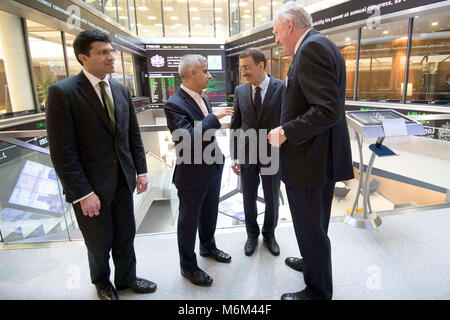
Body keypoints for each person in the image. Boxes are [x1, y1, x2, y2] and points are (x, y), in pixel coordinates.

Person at [46, 30, 157, 300]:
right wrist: (83, 193)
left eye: (111, 51)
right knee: (98, 243)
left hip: (122, 180)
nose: (111, 57)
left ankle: (127, 278)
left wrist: (140, 171)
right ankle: (102, 283)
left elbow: (132, 135)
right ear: (84, 58)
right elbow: (63, 152)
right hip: (90, 188)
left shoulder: (119, 89)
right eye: (103, 52)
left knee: (125, 235)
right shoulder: (63, 92)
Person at [269, 2, 354, 300]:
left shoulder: (311, 50)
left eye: (278, 32)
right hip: (318, 157)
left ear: (290, 26)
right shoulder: (322, 45)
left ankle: (317, 291)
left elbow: (328, 110)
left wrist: (285, 131)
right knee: (314, 223)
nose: (277, 40)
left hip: (310, 161)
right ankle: (311, 263)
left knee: (311, 227)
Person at [164, 54, 234, 287]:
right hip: (191, 175)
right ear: (192, 73)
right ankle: (188, 267)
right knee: (188, 222)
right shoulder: (174, 104)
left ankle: (208, 247)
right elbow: (186, 138)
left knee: (209, 214)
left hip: (212, 166)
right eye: (205, 71)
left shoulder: (203, 98)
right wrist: (214, 118)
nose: (209, 75)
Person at [230, 48, 284, 257]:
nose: (243, 72)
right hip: (246, 154)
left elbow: (287, 123)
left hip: (273, 154)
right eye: (241, 67)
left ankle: (269, 234)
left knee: (272, 198)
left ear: (261, 65)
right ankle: (252, 234)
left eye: (247, 67)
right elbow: (236, 125)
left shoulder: (282, 89)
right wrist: (234, 155)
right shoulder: (240, 91)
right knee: (248, 197)